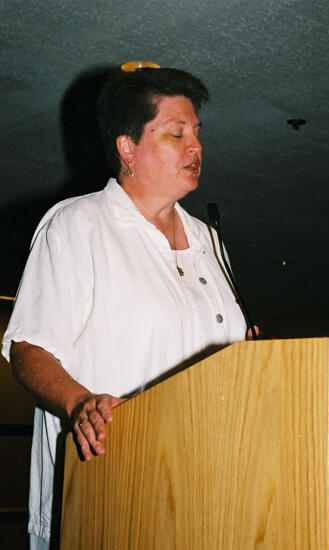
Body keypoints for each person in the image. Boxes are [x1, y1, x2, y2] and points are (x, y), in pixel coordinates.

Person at [2, 65, 247, 549]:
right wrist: (78, 403)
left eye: (197, 133)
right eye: (176, 133)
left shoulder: (207, 239)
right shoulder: (79, 224)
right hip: (110, 497)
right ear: (127, 147)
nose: (196, 147)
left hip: (210, 495)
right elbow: (28, 345)